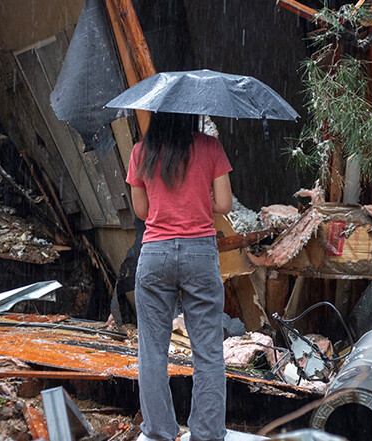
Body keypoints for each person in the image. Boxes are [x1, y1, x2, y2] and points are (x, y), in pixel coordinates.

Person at [126, 112, 233, 441]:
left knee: (152, 350)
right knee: (208, 350)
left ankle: (159, 431)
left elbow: (142, 212)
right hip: (199, 254)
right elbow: (226, 204)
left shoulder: (141, 151)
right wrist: (200, 198)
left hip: (155, 255)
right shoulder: (210, 147)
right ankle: (207, 433)